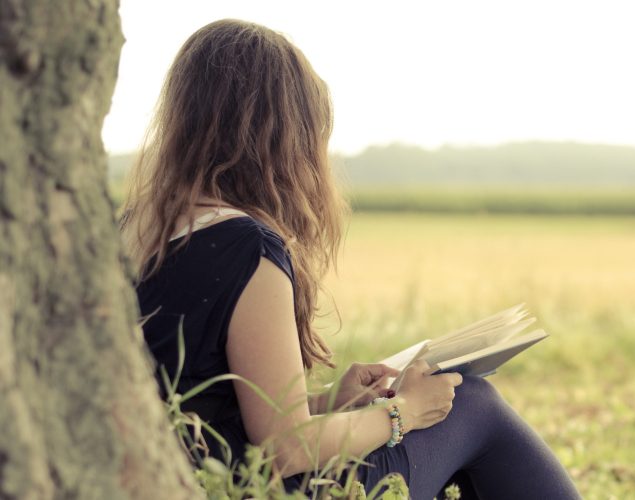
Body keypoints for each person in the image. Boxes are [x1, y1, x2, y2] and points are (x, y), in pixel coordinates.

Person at [120, 19, 579, 499]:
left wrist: (329, 402)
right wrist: (401, 412)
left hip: (190, 478)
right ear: (280, 139)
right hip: (257, 490)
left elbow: (215, 409)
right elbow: (285, 449)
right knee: (473, 403)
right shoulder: (247, 250)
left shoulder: (134, 230)